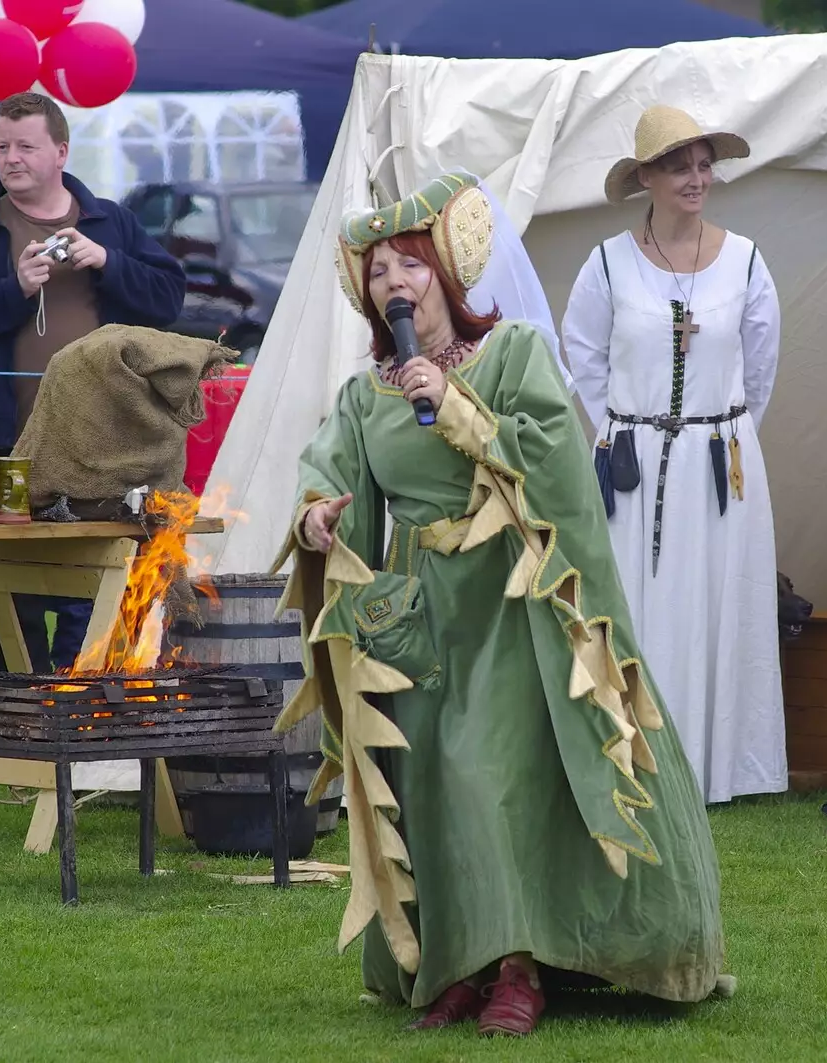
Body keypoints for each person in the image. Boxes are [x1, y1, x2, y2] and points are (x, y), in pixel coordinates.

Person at [276, 172, 726, 1036]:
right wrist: (318, 514)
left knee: (496, 778)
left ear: (445, 270)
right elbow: (328, 470)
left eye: (409, 265)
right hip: (416, 614)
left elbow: (556, 459)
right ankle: (454, 964)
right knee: (432, 784)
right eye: (378, 273)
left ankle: (520, 967)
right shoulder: (365, 394)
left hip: (515, 603)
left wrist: (455, 409)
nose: (395, 284)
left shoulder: (512, 354)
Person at [561, 104, 786, 804]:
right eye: (679, 166)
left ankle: (723, 765)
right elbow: (583, 358)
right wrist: (623, 430)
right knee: (640, 601)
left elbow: (761, 369)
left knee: (721, 603)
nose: (697, 178)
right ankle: (641, 753)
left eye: (703, 164)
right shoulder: (608, 264)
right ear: (647, 179)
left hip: (720, 463)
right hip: (633, 463)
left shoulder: (746, 261)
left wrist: (716, 432)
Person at [0, 91, 185, 674]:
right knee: (13, 587)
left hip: (103, 447)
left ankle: (81, 713)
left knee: (90, 588)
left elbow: (169, 299)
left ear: (61, 151)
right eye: (1, 147)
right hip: (10, 444)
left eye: (25, 146)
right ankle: (9, 714)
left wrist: (108, 261)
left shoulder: (109, 222)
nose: (11, 158)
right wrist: (11, 289)